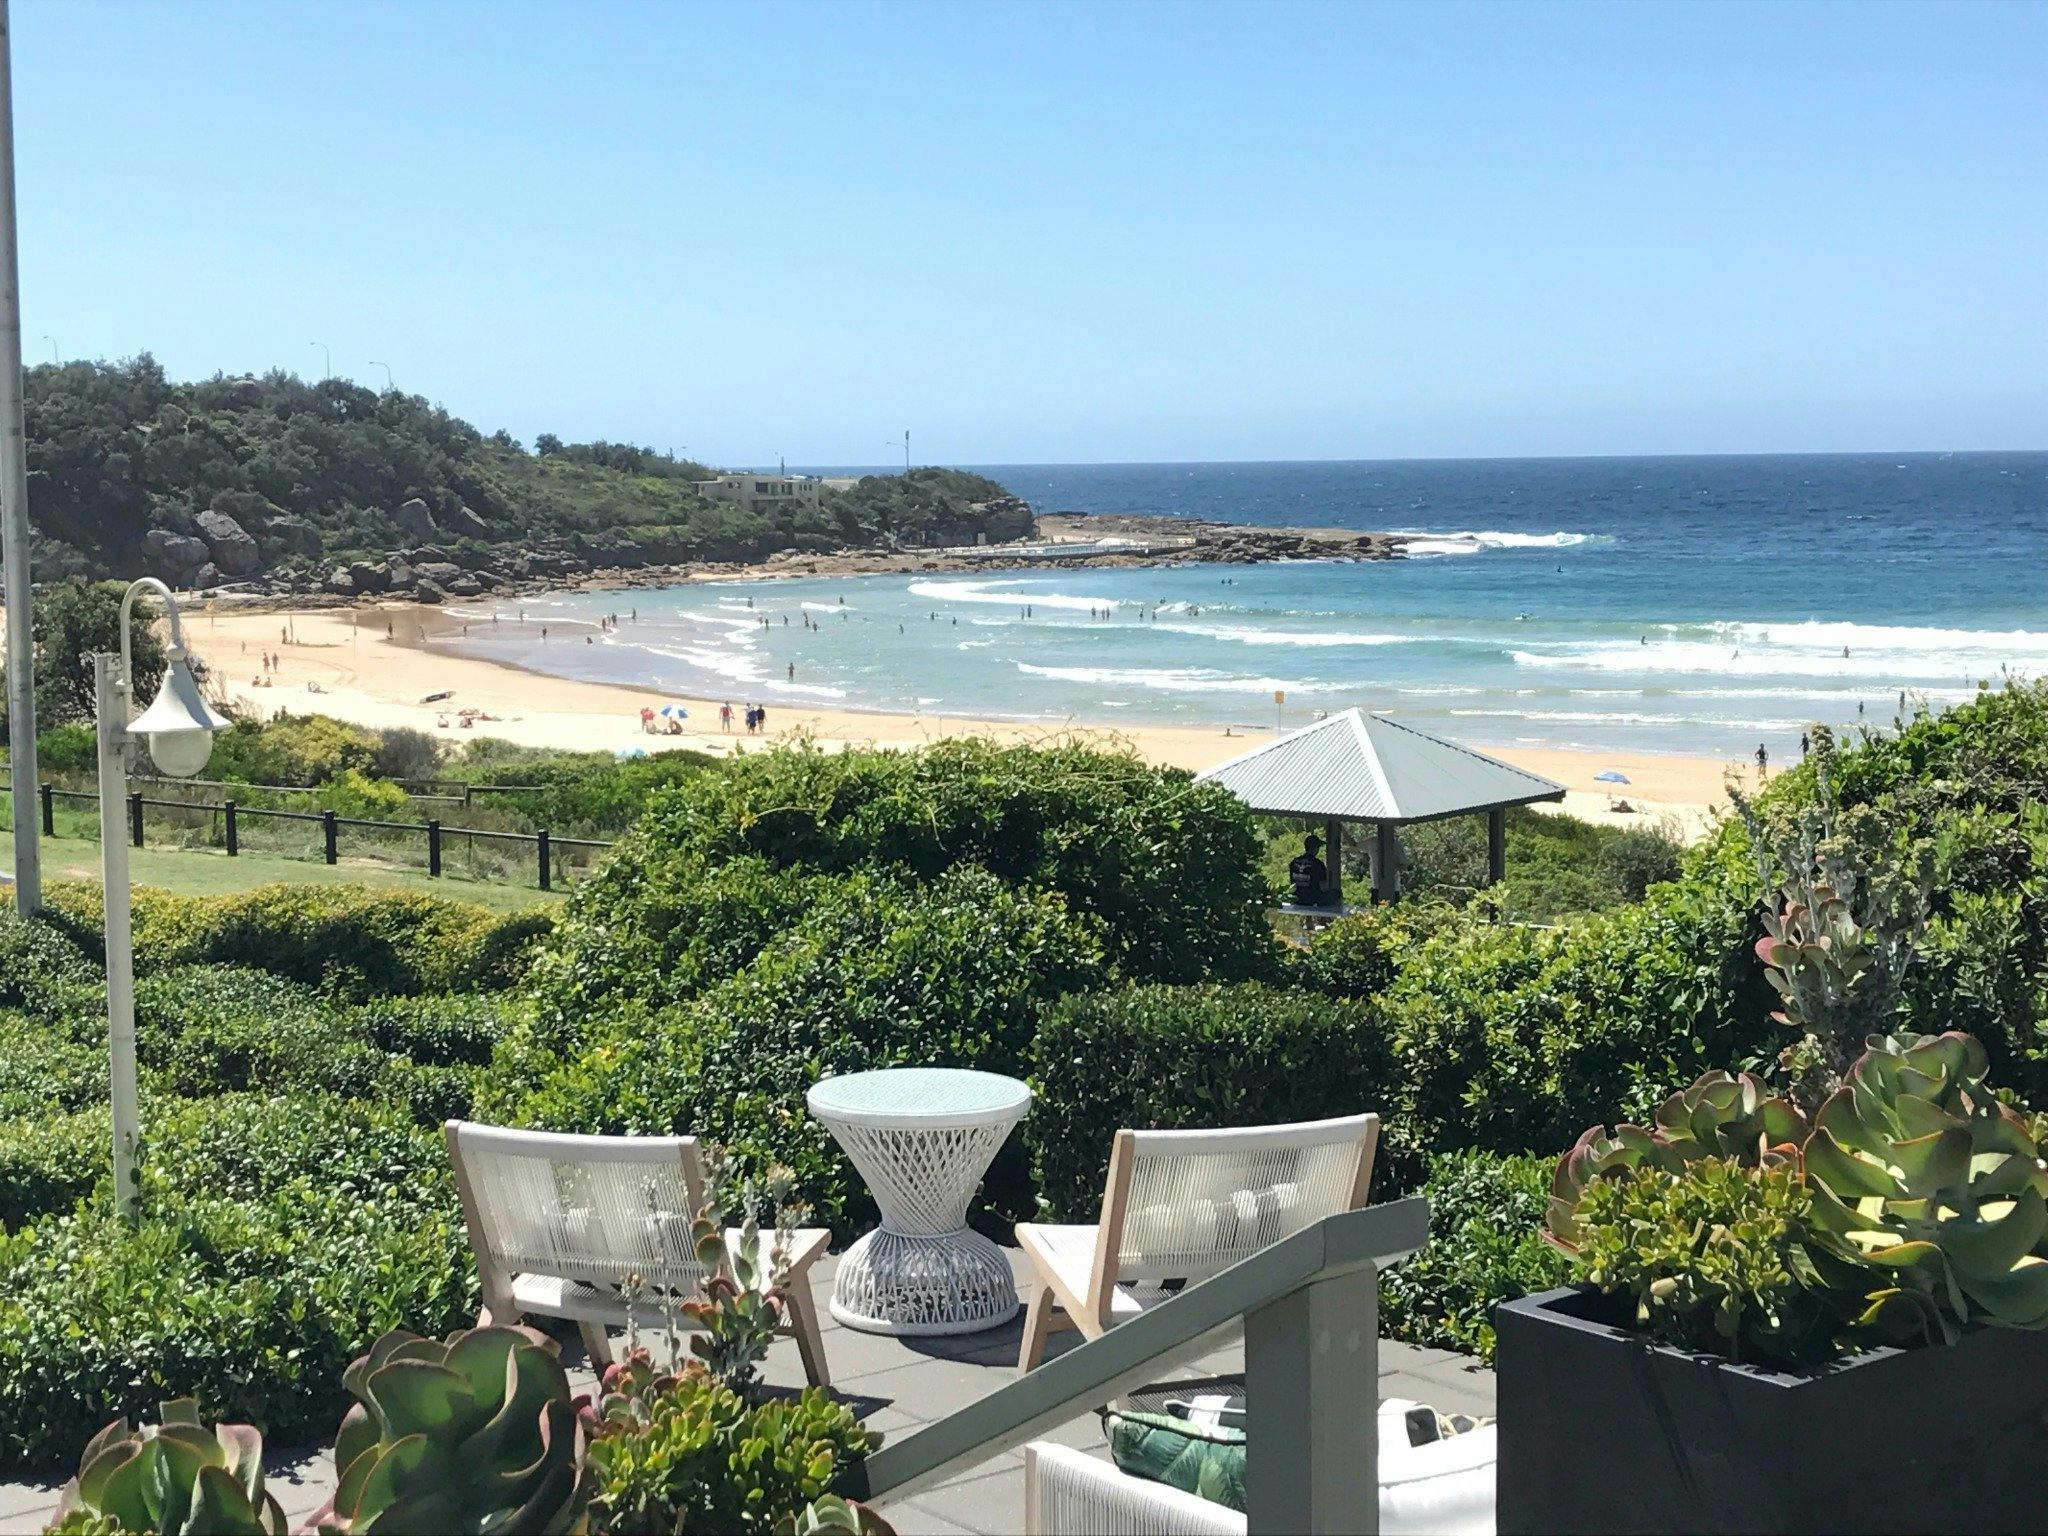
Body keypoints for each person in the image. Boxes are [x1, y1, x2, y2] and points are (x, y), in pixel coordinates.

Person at [1288, 835, 1331, 907]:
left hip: (1297, 899)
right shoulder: (1318, 864)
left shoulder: (1294, 862)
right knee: (1336, 893)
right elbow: (1323, 887)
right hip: (1312, 900)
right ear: (1315, 848)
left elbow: (1292, 883)